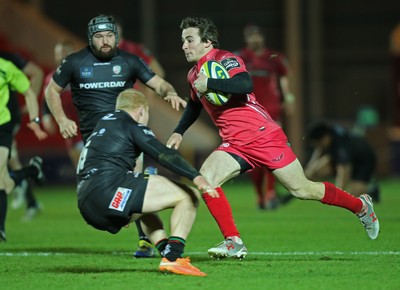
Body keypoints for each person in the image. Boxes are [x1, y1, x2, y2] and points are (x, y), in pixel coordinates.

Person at [166, 16, 380, 259]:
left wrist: (212, 83)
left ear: (207, 42)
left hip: (263, 137)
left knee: (303, 190)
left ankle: (361, 206)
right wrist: (179, 131)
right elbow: (194, 105)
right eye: (183, 41)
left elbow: (245, 84)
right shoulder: (193, 75)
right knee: (206, 179)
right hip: (235, 144)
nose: (184, 46)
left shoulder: (225, 59)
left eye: (189, 40)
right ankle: (233, 241)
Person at [44, 14, 187, 258]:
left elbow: (159, 83)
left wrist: (170, 92)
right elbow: (51, 91)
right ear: (91, 39)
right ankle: (130, 224)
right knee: (119, 195)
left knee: (137, 183)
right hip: (96, 143)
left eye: (109, 35)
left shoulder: (130, 61)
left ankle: (147, 241)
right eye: (99, 37)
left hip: (127, 137)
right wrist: (61, 119)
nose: (105, 41)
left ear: (116, 37)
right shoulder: (74, 62)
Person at [77, 88, 217, 276]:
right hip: (109, 190)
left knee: (143, 201)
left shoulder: (103, 125)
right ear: (141, 110)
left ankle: (166, 249)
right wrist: (196, 177)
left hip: (87, 203)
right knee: (190, 196)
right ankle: (174, 259)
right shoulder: (131, 125)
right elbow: (162, 153)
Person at [237, 24, 295, 210]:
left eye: (257, 35)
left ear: (262, 37)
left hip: (271, 111)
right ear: (246, 39)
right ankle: (260, 195)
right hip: (248, 113)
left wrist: (289, 97)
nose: (255, 39)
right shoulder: (239, 57)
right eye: (251, 36)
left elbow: (286, 76)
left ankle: (270, 192)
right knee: (253, 158)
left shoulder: (274, 57)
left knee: (273, 152)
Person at [0, 57, 47, 241]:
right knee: (5, 183)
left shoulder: (5, 67)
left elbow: (28, 92)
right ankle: (32, 170)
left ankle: (1, 231)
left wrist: (34, 121)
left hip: (2, 127)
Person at [304, 121, 380, 201]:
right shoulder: (328, 135)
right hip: (349, 158)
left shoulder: (340, 144)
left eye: (319, 143)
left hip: (363, 160)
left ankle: (371, 190)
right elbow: (318, 151)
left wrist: (336, 195)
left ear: (325, 137)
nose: (319, 146)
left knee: (355, 194)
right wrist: (308, 171)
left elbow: (344, 170)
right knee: (317, 169)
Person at [42, 40, 83, 169]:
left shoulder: (85, 72)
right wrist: (46, 116)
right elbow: (46, 99)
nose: (61, 57)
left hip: (90, 124)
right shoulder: (52, 78)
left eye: (64, 53)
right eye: (58, 54)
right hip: (71, 128)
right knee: (79, 167)